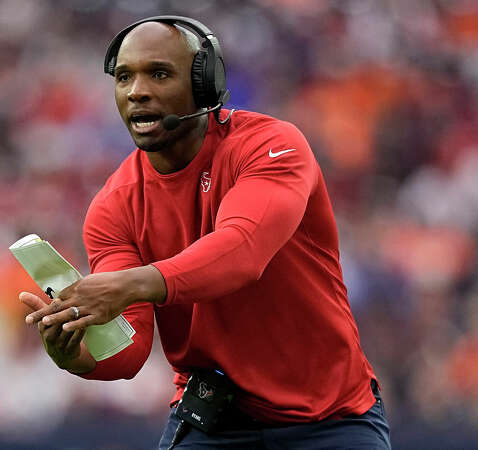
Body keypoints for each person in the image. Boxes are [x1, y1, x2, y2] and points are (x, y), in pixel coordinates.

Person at [20, 15, 392, 449]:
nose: (137, 91)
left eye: (158, 73)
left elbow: (241, 252)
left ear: (205, 83)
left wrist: (129, 284)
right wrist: (74, 356)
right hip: (211, 425)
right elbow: (129, 350)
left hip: (332, 420)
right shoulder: (113, 207)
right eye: (124, 77)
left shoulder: (272, 145)